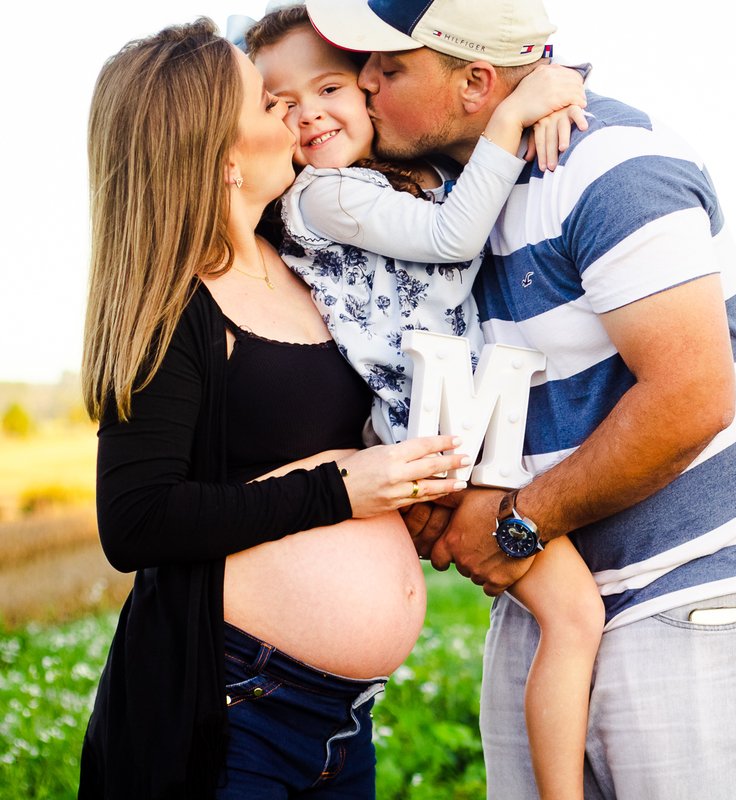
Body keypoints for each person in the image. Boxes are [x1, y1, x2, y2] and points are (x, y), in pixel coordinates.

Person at [305, 0, 736, 797]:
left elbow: (692, 398)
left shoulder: (611, 168)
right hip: (550, 578)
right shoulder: (446, 186)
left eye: (390, 67)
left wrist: (515, 524)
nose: (364, 83)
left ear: (476, 82)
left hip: (687, 586)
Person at [79, 19, 469, 799]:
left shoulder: (302, 264)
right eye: (266, 102)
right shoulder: (177, 308)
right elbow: (135, 520)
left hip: (339, 717)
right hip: (231, 712)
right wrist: (342, 492)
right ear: (224, 157)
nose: (292, 116)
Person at [242, 9, 604, 799]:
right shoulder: (323, 196)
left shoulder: (397, 175)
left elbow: (492, 91)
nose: (308, 112)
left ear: (372, 89)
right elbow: (450, 238)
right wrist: (516, 111)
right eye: (279, 101)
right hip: (436, 427)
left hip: (463, 418)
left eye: (331, 85)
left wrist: (560, 81)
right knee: (575, 617)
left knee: (569, 617)